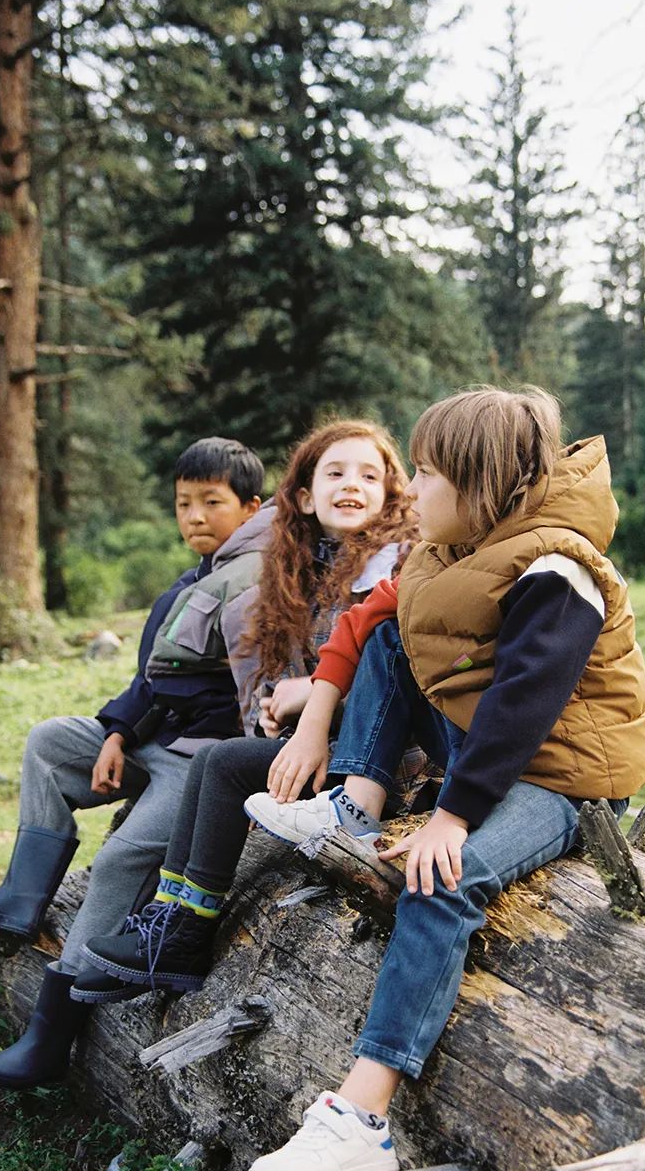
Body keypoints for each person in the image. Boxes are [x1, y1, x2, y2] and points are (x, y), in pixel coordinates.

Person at [240, 386, 645, 1171]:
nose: (411, 491)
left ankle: (362, 1120)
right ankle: (353, 803)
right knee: (392, 638)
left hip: (563, 775)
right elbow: (373, 629)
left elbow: (523, 706)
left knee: (442, 878)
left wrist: (452, 817)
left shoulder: (557, 566)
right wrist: (318, 715)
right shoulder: (451, 549)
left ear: (480, 482)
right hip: (493, 748)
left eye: (425, 474)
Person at [0, 436, 268, 1088]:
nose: (196, 517)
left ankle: (50, 1035)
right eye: (184, 504)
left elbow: (250, 694)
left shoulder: (260, 580)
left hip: (200, 756)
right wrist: (118, 733)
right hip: (153, 738)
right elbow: (152, 679)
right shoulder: (191, 580)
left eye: (213, 502)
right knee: (50, 741)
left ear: (252, 507)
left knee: (121, 854)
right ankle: (22, 897)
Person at [78, 419, 423, 993]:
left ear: (393, 491)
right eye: (334, 472)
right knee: (228, 757)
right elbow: (297, 671)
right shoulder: (305, 568)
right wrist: (279, 706)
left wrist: (310, 694)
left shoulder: (396, 565)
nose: (351, 485)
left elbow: (396, 676)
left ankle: (183, 932)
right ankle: (168, 917)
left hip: (390, 763)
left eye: (369, 474)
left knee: (225, 763)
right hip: (333, 744)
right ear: (305, 496)